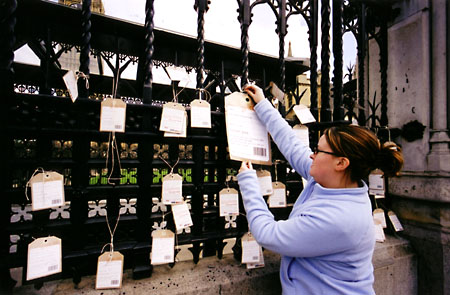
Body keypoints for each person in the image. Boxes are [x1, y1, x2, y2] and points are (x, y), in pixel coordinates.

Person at [236, 85, 404, 295]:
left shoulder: (340, 219)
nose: (312, 154)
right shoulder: (331, 181)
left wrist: (248, 181)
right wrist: (263, 105)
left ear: (341, 163)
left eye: (319, 150)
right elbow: (292, 145)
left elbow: (268, 234)